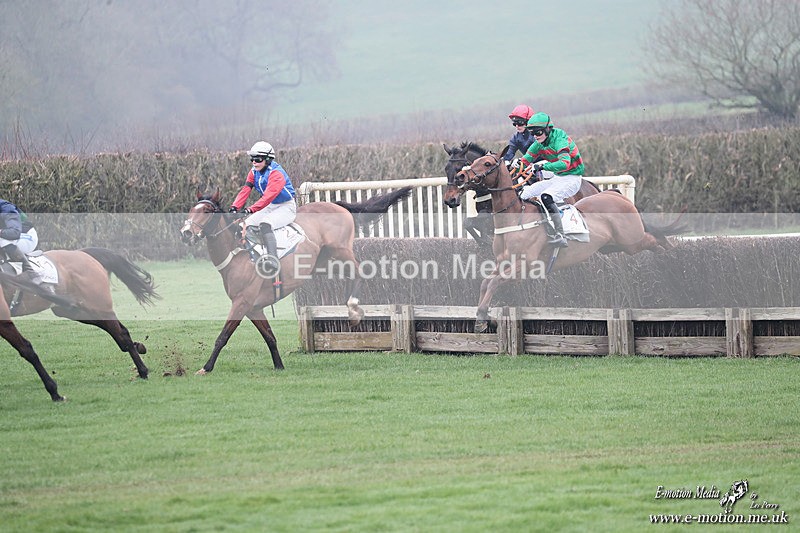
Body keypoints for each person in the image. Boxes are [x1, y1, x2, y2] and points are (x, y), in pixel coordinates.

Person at [228, 141, 297, 276]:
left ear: (267, 159)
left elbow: (267, 197)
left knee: (265, 224)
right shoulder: (253, 172)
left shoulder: (276, 174)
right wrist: (234, 207)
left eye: (258, 159)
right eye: (252, 159)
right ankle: (255, 256)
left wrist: (250, 209)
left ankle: (273, 260)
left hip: (286, 206)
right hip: (271, 206)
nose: (254, 162)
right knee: (244, 225)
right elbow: (246, 190)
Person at [518, 112, 585, 247]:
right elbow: (525, 160)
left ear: (548, 129)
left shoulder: (560, 139)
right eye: (532, 133)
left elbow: (564, 163)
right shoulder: (539, 142)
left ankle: (560, 235)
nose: (535, 136)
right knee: (523, 194)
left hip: (572, 178)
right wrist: (515, 165)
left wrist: (542, 166)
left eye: (538, 132)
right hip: (557, 178)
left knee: (546, 197)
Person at [0, 198, 42, 283]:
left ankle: (30, 272)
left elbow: (15, 233)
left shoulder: (6, 208)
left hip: (27, 236)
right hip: (12, 237)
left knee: (1, 239)